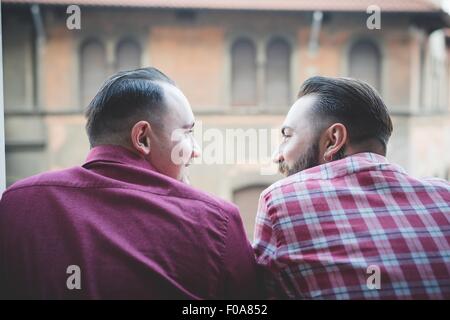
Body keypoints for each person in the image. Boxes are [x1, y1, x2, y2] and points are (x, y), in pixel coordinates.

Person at [0, 67, 259, 299]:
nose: (196, 150)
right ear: (143, 137)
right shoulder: (216, 222)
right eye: (188, 133)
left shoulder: (16, 204)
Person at [253, 76, 450, 299]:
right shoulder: (445, 195)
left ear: (333, 140)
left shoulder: (280, 200)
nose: (277, 155)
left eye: (287, 136)